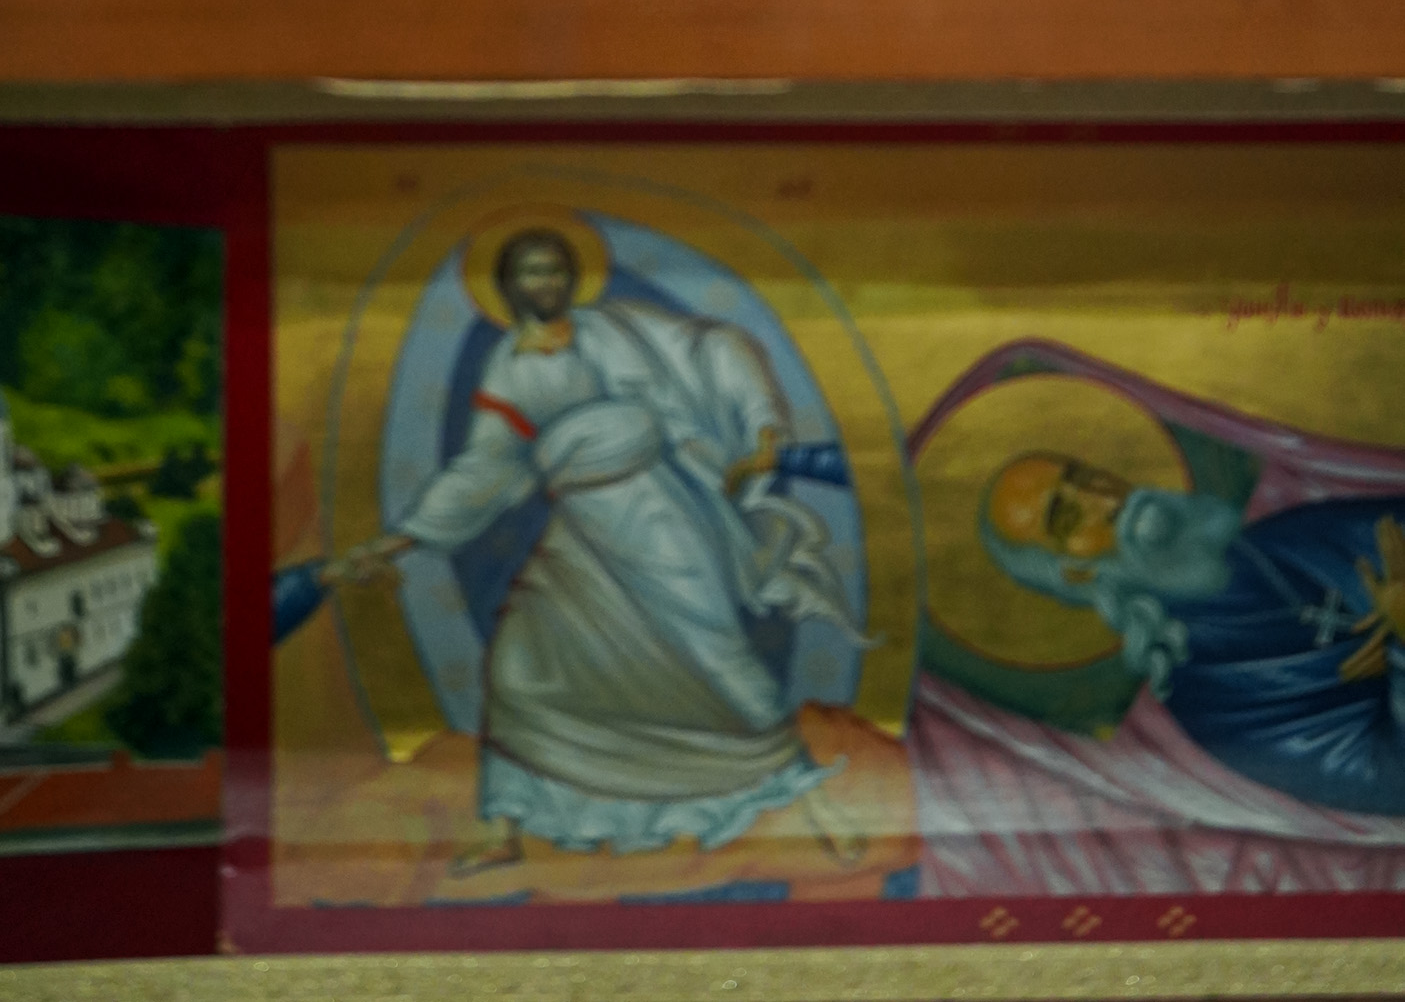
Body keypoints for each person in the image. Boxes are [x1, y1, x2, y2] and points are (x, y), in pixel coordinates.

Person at [356, 225, 861, 866]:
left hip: (659, 514)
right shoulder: (508, 367)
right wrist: (399, 541)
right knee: (518, 666)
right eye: (532, 272)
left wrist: (763, 425)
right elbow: (487, 467)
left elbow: (711, 347)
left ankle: (820, 808)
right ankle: (503, 828)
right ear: (507, 285)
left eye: (555, 269)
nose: (547, 282)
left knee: (717, 659)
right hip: (582, 529)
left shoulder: (617, 328)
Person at [982, 450, 1405, 815]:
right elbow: (1391, 779)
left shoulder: (1283, 537)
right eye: (1068, 517)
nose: (1106, 500)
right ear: (1077, 573)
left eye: (1087, 477)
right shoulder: (1215, 704)